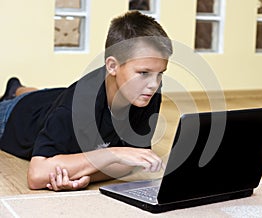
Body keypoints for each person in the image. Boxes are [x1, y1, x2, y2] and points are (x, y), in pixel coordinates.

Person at [0, 11, 173, 191]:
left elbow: (133, 161)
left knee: (54, 98)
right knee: (52, 103)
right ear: (112, 66)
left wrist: (83, 173)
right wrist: (112, 153)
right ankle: (18, 92)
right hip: (16, 115)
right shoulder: (76, 106)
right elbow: (37, 176)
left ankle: (18, 88)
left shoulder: (145, 92)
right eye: (144, 73)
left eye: (160, 73)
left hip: (53, 99)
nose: (154, 84)